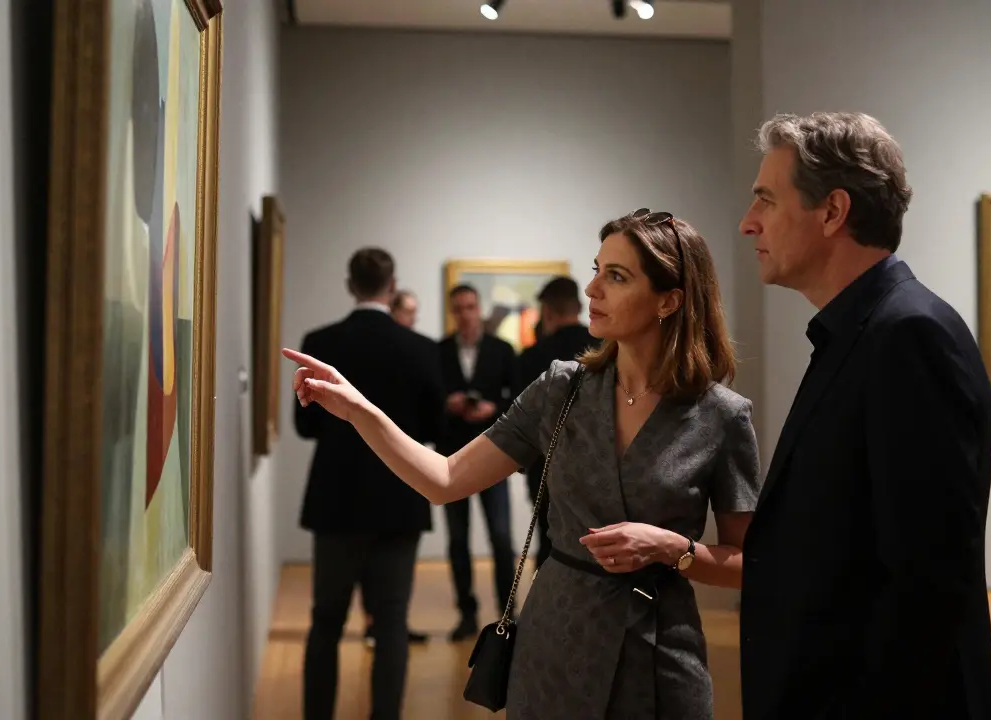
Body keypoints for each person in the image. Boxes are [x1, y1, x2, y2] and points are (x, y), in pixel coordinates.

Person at [284, 208, 761, 719]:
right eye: (596, 268)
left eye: (616, 276)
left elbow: (749, 565)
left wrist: (674, 548)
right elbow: (444, 480)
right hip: (556, 638)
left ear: (670, 300)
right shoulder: (562, 388)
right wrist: (360, 409)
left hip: (657, 647)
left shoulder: (721, 417)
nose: (591, 289)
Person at [737, 112, 991, 719]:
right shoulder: (865, 331)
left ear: (832, 212)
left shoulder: (907, 336)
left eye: (767, 202)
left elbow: (926, 582)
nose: (750, 224)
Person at [292, 248, 444, 720]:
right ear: (392, 285)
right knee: (393, 622)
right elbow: (432, 426)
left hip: (336, 501)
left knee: (326, 621)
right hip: (399, 498)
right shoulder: (421, 348)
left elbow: (306, 427)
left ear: (349, 284)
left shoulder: (319, 342)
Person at [437, 285, 520, 640]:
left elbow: (519, 399)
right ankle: (466, 614)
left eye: (470, 307)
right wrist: (448, 403)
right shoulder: (438, 351)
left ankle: (507, 613)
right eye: (459, 308)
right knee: (458, 541)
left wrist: (493, 409)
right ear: (452, 311)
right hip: (450, 458)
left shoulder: (502, 351)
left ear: (479, 308)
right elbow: (430, 398)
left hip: (492, 455)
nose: (466, 314)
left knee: (501, 538)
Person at [515, 275, 601, 568]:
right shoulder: (606, 349)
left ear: (547, 311)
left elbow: (523, 420)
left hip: (546, 465)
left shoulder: (532, 356)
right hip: (600, 464)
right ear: (580, 305)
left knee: (549, 542)